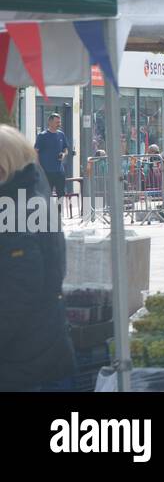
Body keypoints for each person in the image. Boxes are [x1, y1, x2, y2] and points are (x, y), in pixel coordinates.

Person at [0, 125, 76, 391]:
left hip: (23, 356)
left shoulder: (18, 210)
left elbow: (18, 291)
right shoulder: (26, 196)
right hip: (37, 346)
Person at [33, 113, 74, 199]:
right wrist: (39, 167)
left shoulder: (61, 134)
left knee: (61, 193)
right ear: (50, 122)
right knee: (46, 194)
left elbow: (65, 149)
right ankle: (47, 212)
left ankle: (59, 212)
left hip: (59, 171)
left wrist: (63, 154)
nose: (59, 124)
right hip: (46, 171)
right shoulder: (42, 136)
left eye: (59, 122)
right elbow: (35, 152)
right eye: (57, 122)